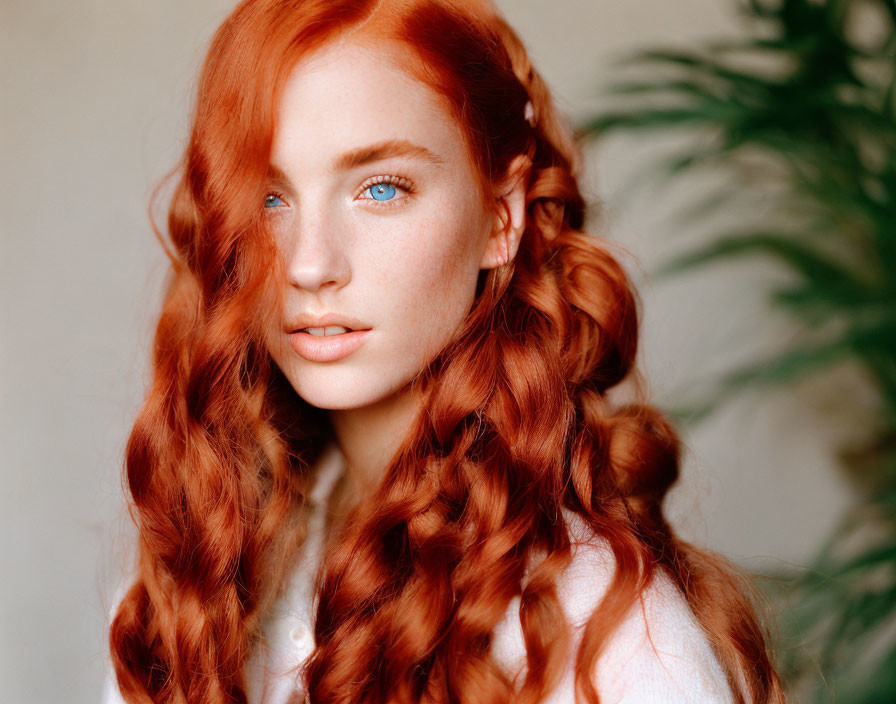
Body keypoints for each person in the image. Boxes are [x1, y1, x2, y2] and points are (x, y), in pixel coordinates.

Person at [101, 0, 786, 702]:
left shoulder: (603, 633)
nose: (309, 265)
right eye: (268, 199)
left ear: (501, 215)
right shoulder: (200, 575)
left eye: (381, 188)